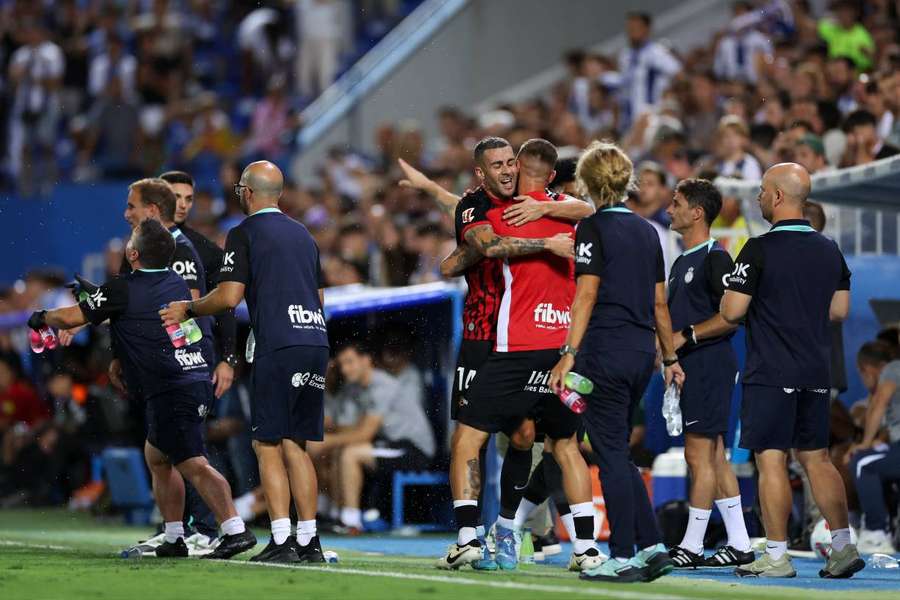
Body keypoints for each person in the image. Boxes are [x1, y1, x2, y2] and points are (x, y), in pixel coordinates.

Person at [399, 144, 592, 571]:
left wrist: (430, 188)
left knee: (524, 436)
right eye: (498, 166)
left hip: (529, 339)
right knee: (472, 435)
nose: (507, 171)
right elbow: (483, 241)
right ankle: (468, 536)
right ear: (481, 173)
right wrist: (544, 244)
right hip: (482, 337)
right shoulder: (476, 203)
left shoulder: (539, 202)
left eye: (511, 163)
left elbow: (584, 207)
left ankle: (506, 527)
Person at [27, 220, 255, 559]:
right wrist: (98, 303)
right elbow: (135, 314)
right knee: (158, 456)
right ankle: (174, 536)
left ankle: (236, 530)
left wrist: (42, 316)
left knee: (193, 463)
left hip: (174, 387)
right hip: (187, 380)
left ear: (133, 253)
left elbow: (72, 317)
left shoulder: (123, 288)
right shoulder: (175, 282)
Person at [161, 161, 328, 564]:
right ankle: (310, 542)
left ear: (248, 193)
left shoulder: (244, 232)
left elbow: (229, 297)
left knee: (266, 443)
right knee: (297, 444)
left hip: (280, 344)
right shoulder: (304, 234)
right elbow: (320, 298)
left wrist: (189, 308)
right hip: (314, 338)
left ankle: (283, 541)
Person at [713, 162, 862, 578]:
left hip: (771, 371)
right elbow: (840, 309)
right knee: (818, 459)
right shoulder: (829, 248)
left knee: (772, 461)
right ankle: (842, 545)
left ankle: (776, 557)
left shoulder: (757, 249)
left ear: (777, 197)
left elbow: (732, 311)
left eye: (762, 191)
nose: (759, 198)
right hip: (816, 371)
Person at [549, 141, 682, 583]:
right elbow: (660, 304)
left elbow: (585, 294)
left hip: (603, 352)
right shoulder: (650, 232)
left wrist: (568, 354)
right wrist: (670, 357)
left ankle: (621, 555)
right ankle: (653, 546)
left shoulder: (592, 228)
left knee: (608, 457)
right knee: (619, 454)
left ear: (586, 184)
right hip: (641, 353)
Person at [664, 178, 753, 568]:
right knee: (714, 457)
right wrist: (668, 354)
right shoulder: (682, 260)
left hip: (710, 363)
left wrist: (686, 337)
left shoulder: (716, 258)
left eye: (677, 203)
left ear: (696, 212)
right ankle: (740, 542)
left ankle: (692, 544)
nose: (670, 209)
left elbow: (732, 316)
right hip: (693, 365)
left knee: (698, 454)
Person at [319, 343, 434, 532]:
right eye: (342, 364)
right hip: (388, 444)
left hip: (414, 448)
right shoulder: (355, 388)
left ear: (366, 360)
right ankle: (335, 516)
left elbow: (365, 433)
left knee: (350, 453)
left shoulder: (382, 385)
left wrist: (325, 442)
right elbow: (350, 428)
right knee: (338, 450)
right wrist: (326, 440)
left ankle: (351, 522)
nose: (345, 369)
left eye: (350, 362)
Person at [162, 170, 238, 401]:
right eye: (176, 197)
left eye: (188, 199)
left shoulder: (207, 251)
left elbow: (225, 303)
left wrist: (228, 359)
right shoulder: (137, 247)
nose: (183, 205)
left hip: (190, 357)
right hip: (149, 357)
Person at [848, 341, 900, 555]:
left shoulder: (892, 368)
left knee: (862, 463)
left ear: (867, 369)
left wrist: (866, 443)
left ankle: (876, 533)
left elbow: (880, 402)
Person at [618, 11, 681, 129]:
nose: (631, 31)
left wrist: (667, 98)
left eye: (636, 27)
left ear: (647, 29)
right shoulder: (625, 55)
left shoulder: (656, 52)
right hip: (630, 119)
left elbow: (679, 75)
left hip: (652, 118)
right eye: (630, 28)